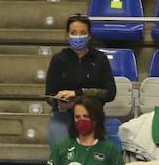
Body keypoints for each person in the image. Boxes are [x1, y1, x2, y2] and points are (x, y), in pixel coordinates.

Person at [43, 14, 117, 148]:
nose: (78, 36)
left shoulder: (100, 59)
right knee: (63, 151)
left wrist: (78, 94)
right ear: (67, 35)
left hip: (92, 115)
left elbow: (110, 92)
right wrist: (59, 103)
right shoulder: (58, 60)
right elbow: (49, 94)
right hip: (64, 116)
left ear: (89, 35)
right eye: (74, 33)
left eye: (82, 33)